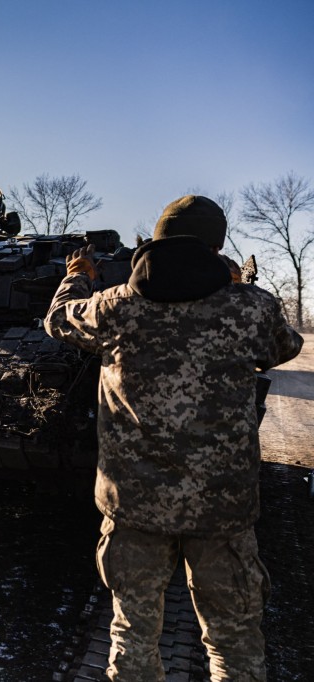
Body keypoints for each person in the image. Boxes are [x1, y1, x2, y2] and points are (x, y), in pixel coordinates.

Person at [43, 195, 303, 681]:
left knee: (133, 637)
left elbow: (58, 319)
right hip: (221, 508)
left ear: (156, 240)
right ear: (217, 244)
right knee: (234, 640)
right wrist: (233, 289)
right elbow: (285, 347)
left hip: (135, 507)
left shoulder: (114, 307)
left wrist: (78, 274)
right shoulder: (251, 309)